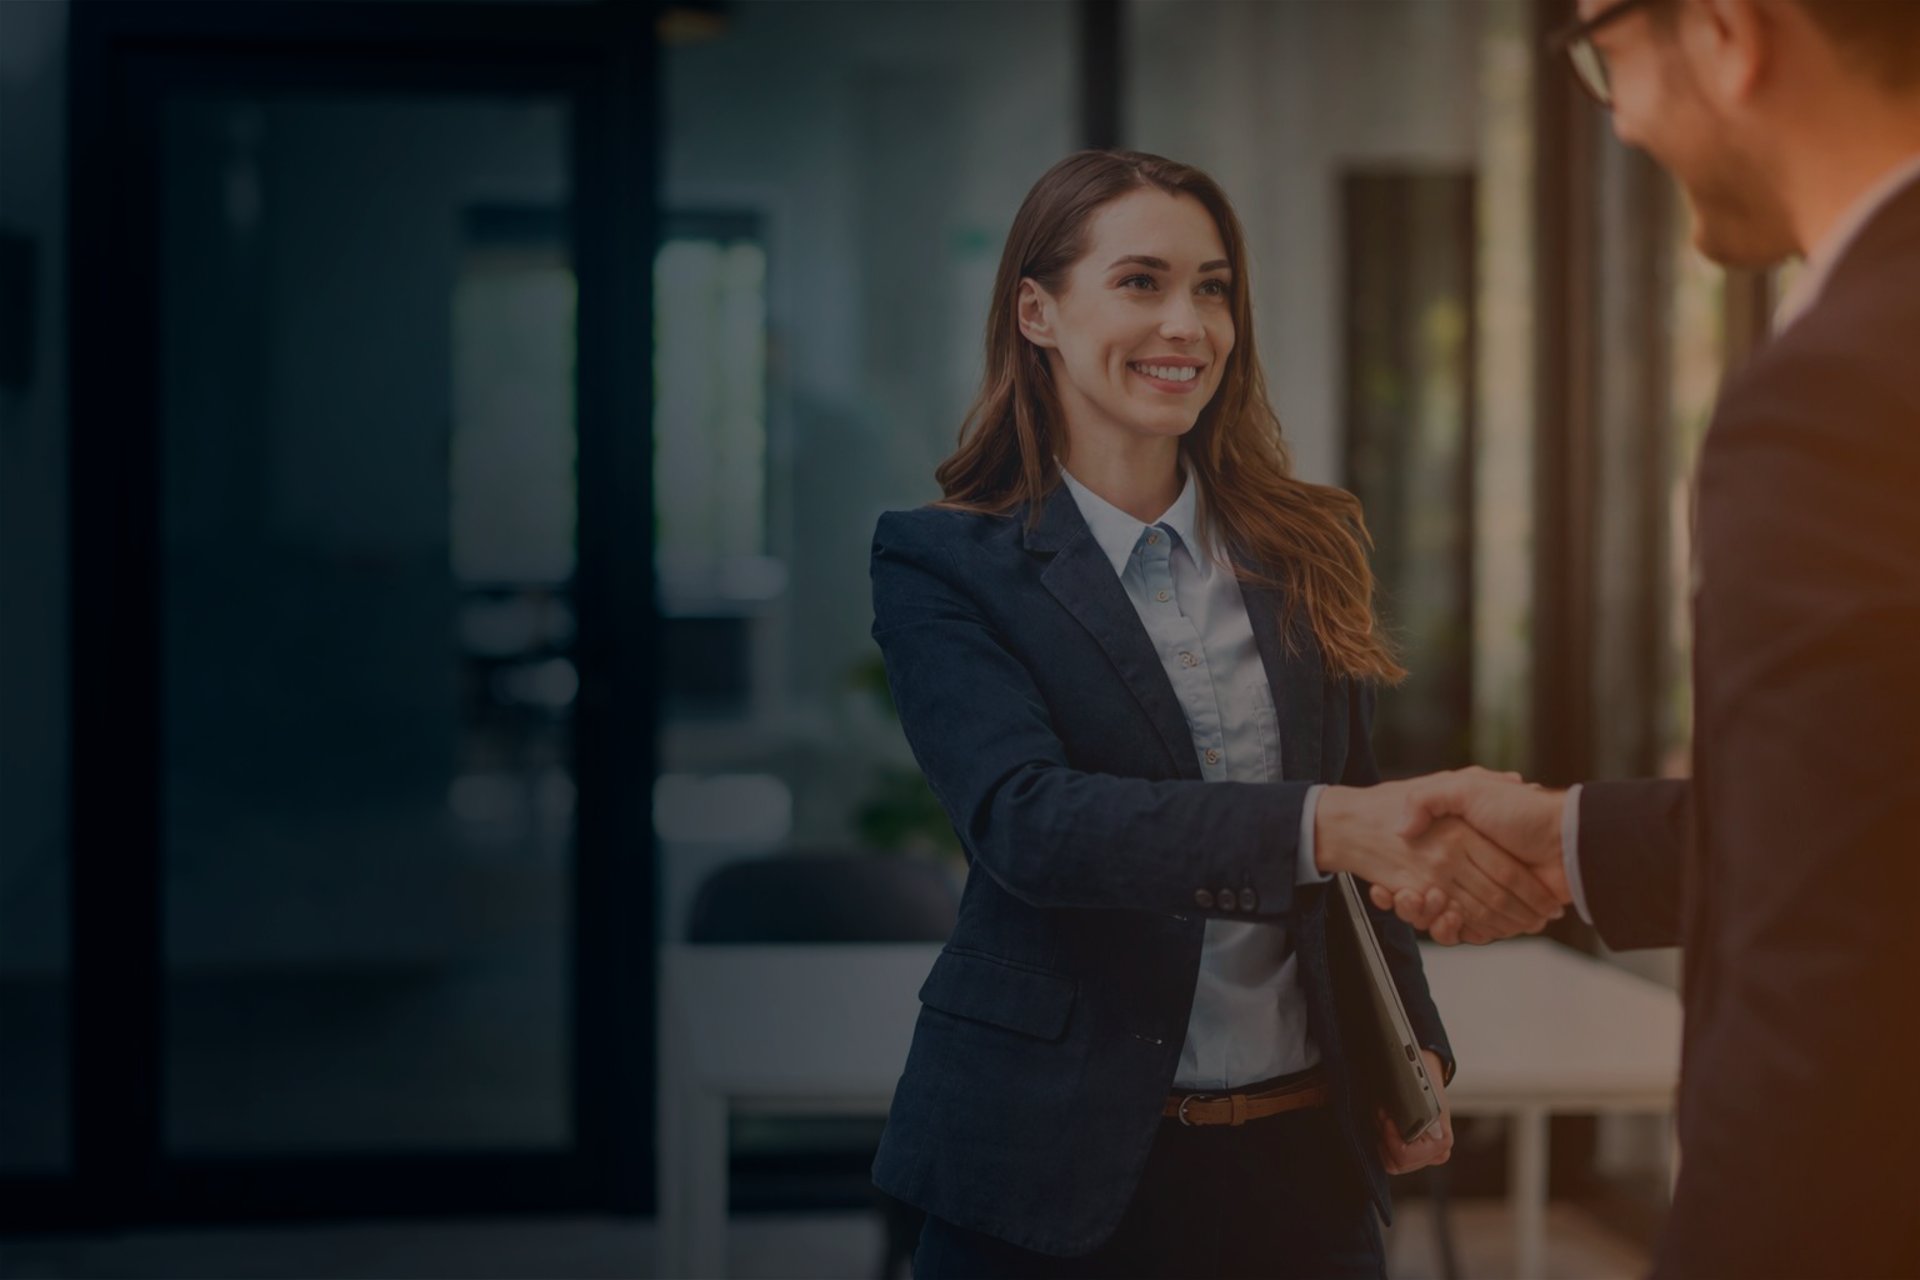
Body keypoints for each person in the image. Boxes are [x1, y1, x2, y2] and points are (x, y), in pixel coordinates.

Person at [866, 149, 1563, 1279]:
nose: (1187, 324)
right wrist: (1323, 824)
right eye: (1141, 282)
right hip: (1048, 1164)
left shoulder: (1305, 544)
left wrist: (1410, 1046)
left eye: (1214, 288)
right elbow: (1030, 823)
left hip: (1300, 1162)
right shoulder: (946, 562)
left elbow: (1358, 850)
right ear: (1038, 313)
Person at [1381, 2, 1920, 1275]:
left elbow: (1821, 976)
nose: (1616, 120)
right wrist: (1575, 839)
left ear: (1728, 32)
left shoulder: (1836, 392)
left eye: (1603, 56)